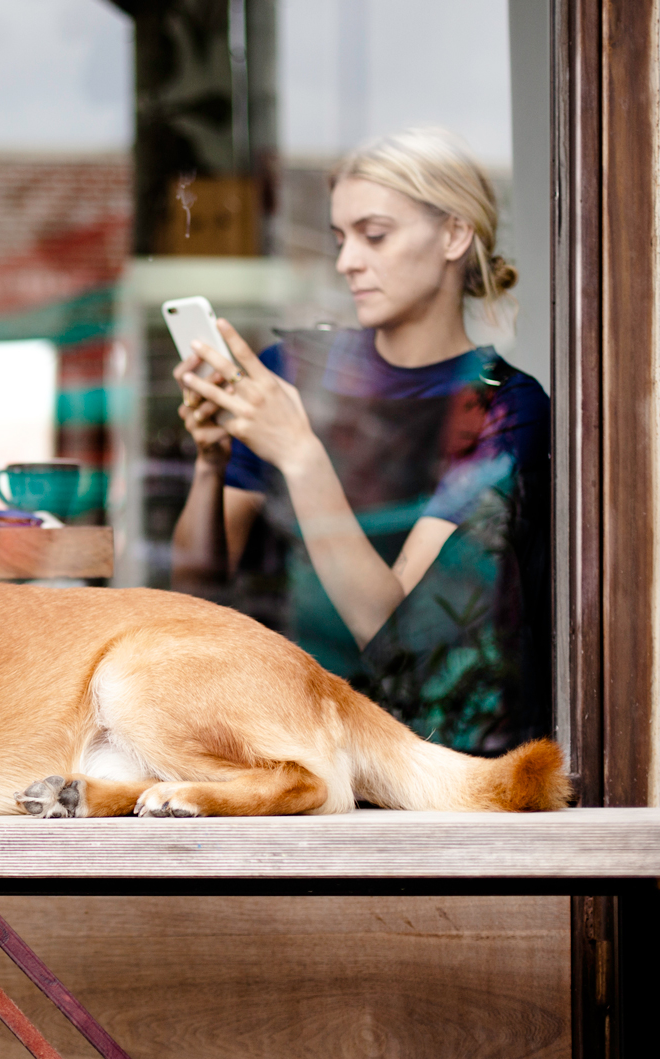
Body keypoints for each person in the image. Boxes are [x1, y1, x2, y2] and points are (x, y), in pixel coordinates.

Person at [169, 128, 549, 754]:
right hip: (286, 736)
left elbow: (396, 632)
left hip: (430, 752)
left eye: (374, 235)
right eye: (341, 239)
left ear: (454, 236)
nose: (347, 261)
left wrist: (299, 454)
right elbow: (196, 587)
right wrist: (212, 464)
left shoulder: (503, 408)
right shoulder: (291, 372)